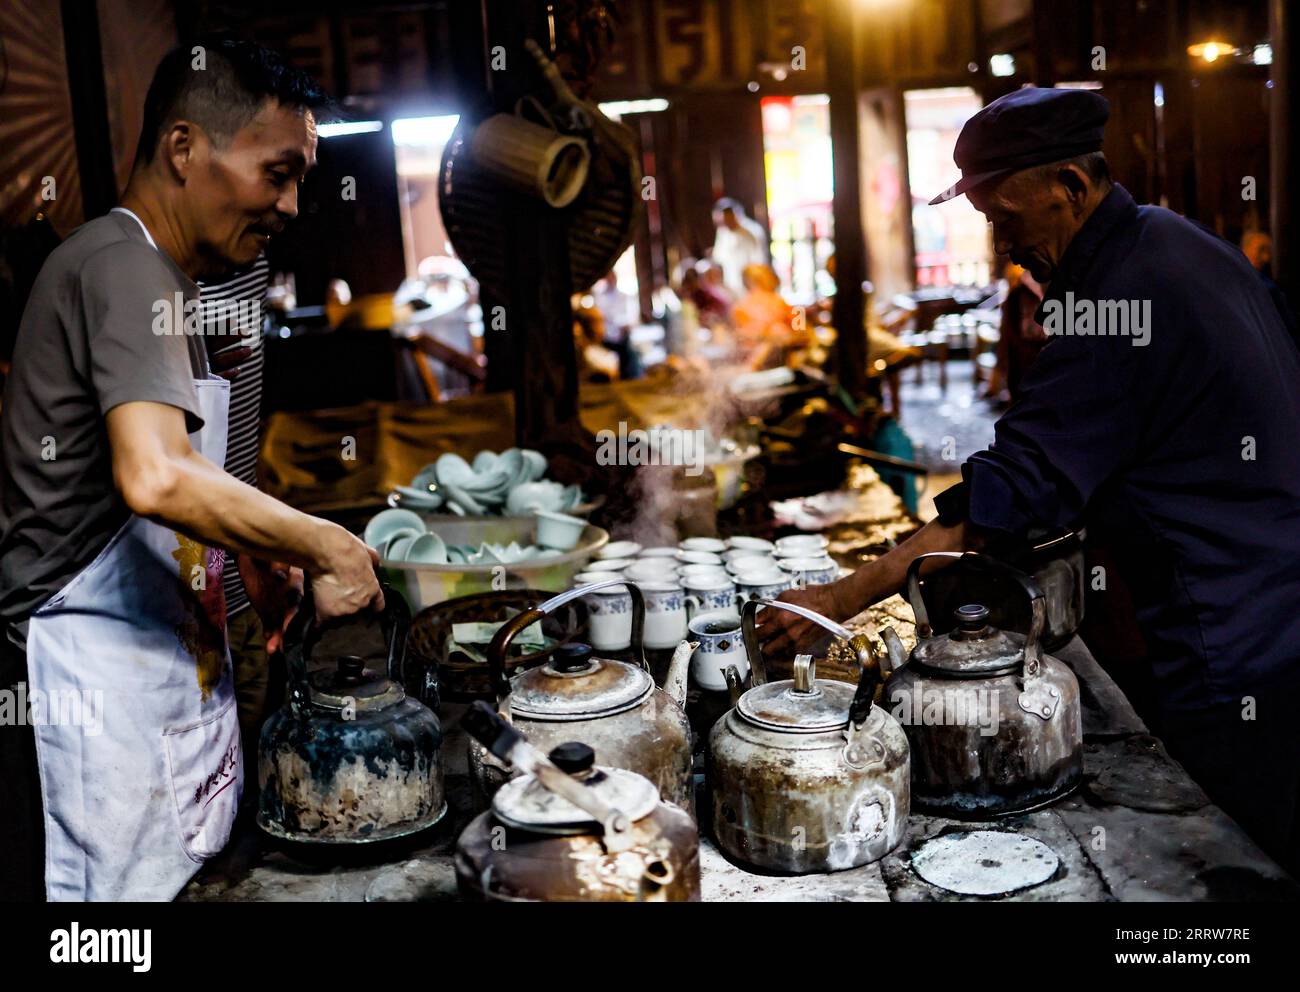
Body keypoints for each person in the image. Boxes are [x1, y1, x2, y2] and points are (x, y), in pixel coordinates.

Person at [758, 87, 1300, 873]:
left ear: (1070, 189)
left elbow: (1011, 492)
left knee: (1236, 867)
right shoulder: (1172, 242)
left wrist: (838, 603)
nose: (1003, 246)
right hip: (1278, 609)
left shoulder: (1122, 300)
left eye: (1006, 220)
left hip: (1241, 640)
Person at [0, 38, 382, 901]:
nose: (289, 205)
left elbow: (166, 484)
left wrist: (247, 549)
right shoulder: (123, 265)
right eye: (276, 172)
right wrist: (326, 545)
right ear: (184, 149)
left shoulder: (161, 274)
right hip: (82, 678)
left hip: (146, 659)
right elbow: (157, 477)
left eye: (302, 180)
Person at [711, 197, 769, 297]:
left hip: (749, 286)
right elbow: (718, 257)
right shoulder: (723, 232)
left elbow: (759, 261)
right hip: (730, 286)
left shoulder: (752, 232)